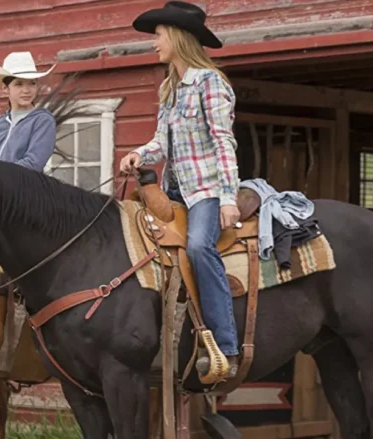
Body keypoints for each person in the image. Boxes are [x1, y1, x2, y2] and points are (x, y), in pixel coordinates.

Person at [120, 1, 242, 381]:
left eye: (158, 35)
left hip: (205, 190)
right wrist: (140, 153)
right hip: (175, 191)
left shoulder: (211, 83)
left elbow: (224, 143)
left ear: (175, 36)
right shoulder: (170, 88)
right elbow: (162, 142)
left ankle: (225, 346)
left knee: (198, 247)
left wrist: (227, 198)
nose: (154, 42)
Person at [0, 51, 58, 171]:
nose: (26, 90)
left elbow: (33, 163)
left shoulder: (42, 120)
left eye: (32, 83)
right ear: (6, 88)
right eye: (19, 84)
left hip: (25, 188)